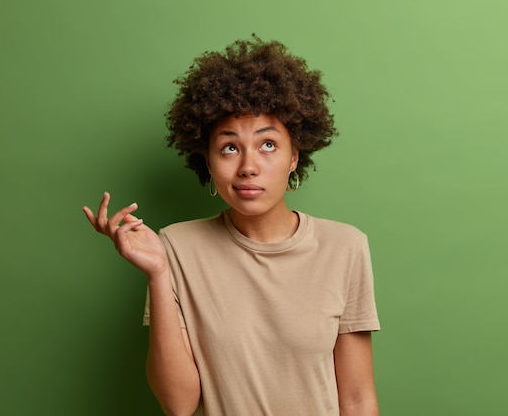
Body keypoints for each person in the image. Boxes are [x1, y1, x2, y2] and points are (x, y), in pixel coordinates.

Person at [83, 36, 381, 416]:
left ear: (295, 157)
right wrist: (158, 274)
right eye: (229, 147)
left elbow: (357, 398)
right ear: (207, 161)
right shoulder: (175, 246)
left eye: (268, 144)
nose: (248, 166)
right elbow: (178, 404)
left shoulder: (345, 247)